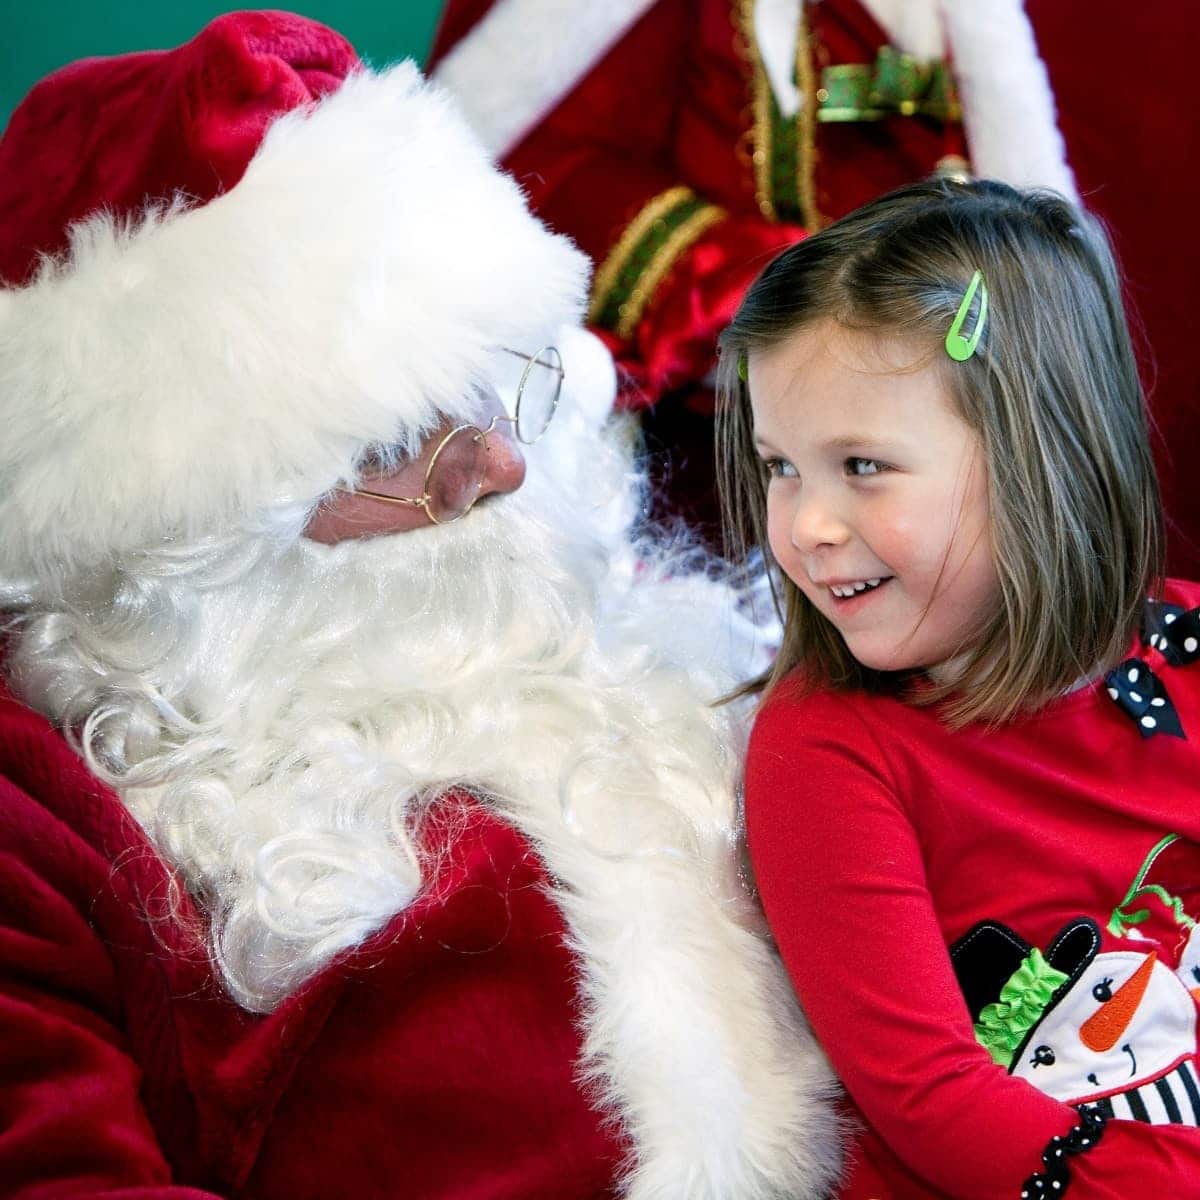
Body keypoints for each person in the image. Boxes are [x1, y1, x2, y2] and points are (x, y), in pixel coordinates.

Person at [0, 13, 841, 1198]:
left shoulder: (691, 641)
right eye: (403, 439)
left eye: (504, 381)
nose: (500, 468)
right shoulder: (47, 817)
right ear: (194, 536)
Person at [717, 177, 1200, 1197]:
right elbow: (933, 1098)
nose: (806, 524)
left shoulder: (1186, 651)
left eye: (862, 465)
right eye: (781, 467)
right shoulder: (826, 750)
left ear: (1039, 459)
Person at [428, 0, 1073, 536]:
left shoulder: (971, 26)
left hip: (924, 427)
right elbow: (545, 164)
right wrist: (737, 276)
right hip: (708, 436)